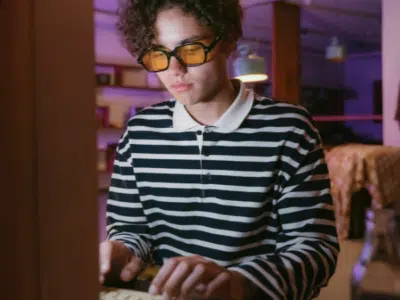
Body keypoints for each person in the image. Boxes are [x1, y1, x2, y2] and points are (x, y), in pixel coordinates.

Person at [99, 0, 340, 299]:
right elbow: (132, 230)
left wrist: (239, 283)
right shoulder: (139, 132)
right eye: (158, 54)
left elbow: (315, 249)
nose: (175, 69)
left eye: (191, 49)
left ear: (227, 41)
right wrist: (122, 250)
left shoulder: (290, 128)